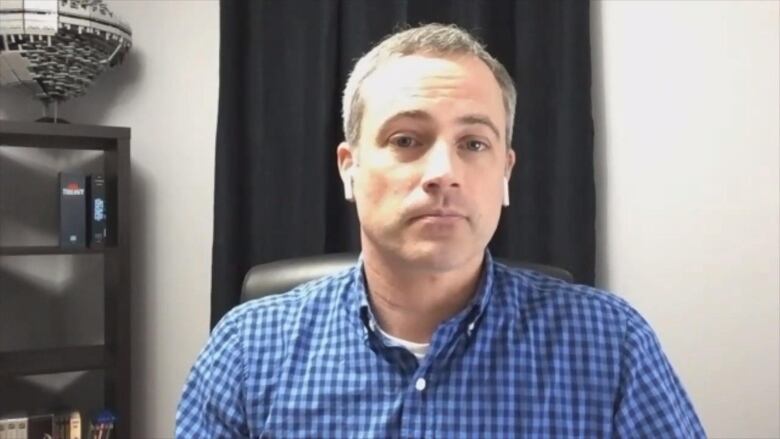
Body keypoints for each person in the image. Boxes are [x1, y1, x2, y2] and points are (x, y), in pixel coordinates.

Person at [176, 23, 706, 438]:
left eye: (474, 144)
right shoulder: (247, 350)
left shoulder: (611, 347)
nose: (442, 173)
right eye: (406, 140)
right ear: (349, 168)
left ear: (505, 173)